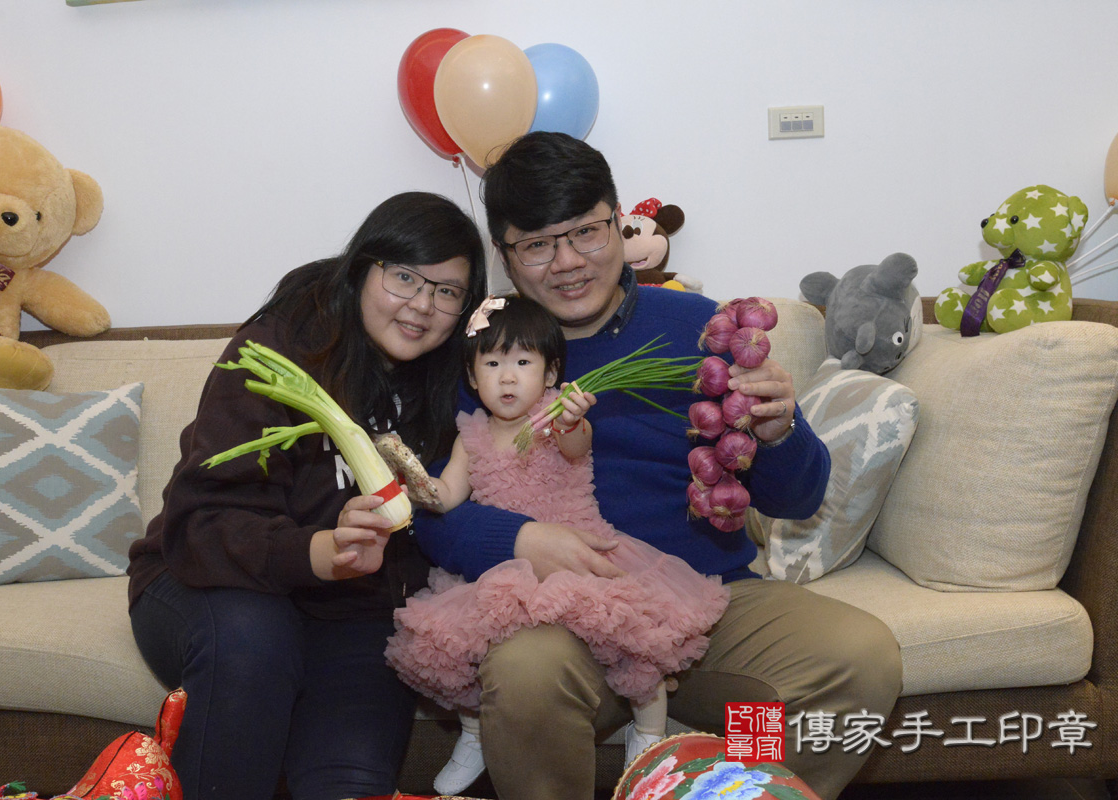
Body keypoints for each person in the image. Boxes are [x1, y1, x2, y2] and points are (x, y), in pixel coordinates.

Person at [412, 133, 903, 800]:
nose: (567, 262)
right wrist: (522, 539)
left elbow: (798, 499)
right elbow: (430, 512)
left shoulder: (700, 328)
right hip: (554, 617)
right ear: (504, 254)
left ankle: (722, 792)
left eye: (585, 232)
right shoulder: (481, 351)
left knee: (857, 658)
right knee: (525, 673)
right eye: (537, 245)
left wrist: (779, 431)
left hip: (706, 604)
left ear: (619, 221)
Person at [125, 191, 487, 800]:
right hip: (212, 583)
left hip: (355, 613)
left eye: (447, 291)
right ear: (363, 267)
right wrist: (318, 551)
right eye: (404, 277)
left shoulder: (457, 375)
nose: (423, 306)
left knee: (349, 782)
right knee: (256, 644)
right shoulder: (277, 351)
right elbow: (202, 524)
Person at [384, 295, 730, 795]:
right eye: (492, 364)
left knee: (634, 639)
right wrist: (413, 481)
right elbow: (448, 495)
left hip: (581, 556)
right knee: (460, 649)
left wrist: (570, 420)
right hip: (506, 569)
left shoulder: (555, 419)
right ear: (472, 376)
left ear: (550, 374)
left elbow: (575, 445)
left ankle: (650, 737)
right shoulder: (470, 435)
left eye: (523, 363)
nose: (507, 378)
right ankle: (476, 733)